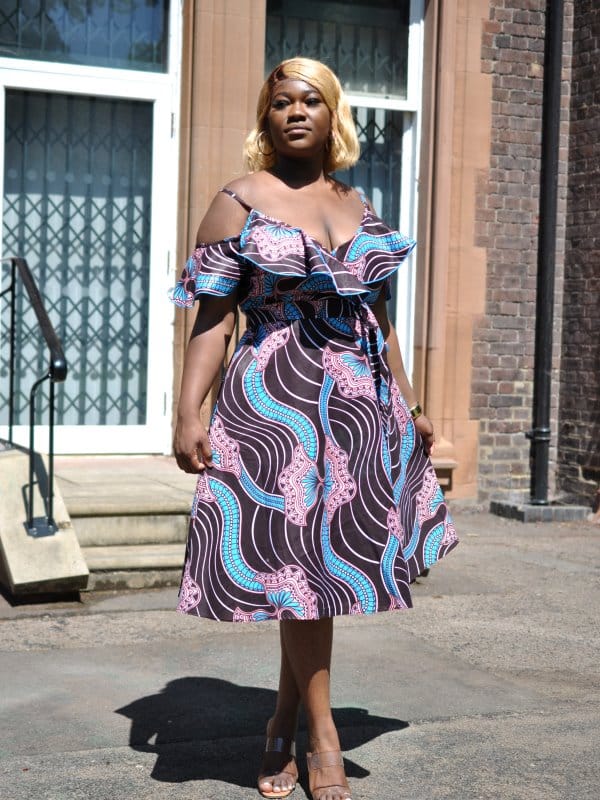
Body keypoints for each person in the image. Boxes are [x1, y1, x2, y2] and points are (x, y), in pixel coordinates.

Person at [170, 57, 458, 800]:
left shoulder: (358, 204)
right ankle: (322, 739)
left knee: (318, 575)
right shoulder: (237, 201)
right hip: (277, 406)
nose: (294, 112)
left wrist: (411, 404)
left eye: (310, 101)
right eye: (280, 102)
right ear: (264, 119)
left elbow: (380, 322)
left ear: (334, 116)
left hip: (359, 408)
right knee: (297, 573)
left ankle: (280, 722)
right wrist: (188, 409)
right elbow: (212, 318)